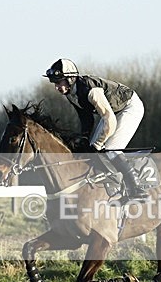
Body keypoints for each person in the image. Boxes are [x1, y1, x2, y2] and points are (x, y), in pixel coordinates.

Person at [44, 58, 149, 201]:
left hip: (129, 107)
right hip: (113, 112)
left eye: (58, 82)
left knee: (111, 149)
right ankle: (110, 187)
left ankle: (136, 188)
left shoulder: (91, 90)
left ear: (70, 79)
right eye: (55, 83)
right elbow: (86, 119)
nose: (56, 87)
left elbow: (110, 120)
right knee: (92, 153)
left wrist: (98, 143)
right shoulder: (71, 94)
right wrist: (84, 139)